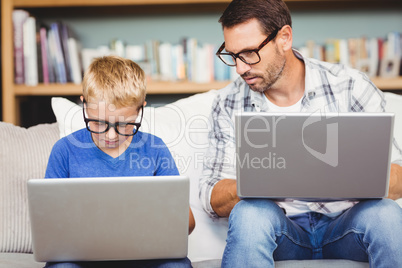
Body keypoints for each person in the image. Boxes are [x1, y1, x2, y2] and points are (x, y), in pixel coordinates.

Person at [199, 0, 402, 267]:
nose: (240, 68)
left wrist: (337, 178)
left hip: (347, 225)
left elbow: (398, 177)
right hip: (280, 232)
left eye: (249, 53)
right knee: (250, 213)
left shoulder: (350, 86)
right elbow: (211, 196)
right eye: (233, 55)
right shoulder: (228, 103)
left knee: (385, 213)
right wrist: (260, 182)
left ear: (284, 38)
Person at [45, 55, 195, 268]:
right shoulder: (64, 150)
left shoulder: (155, 149)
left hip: (146, 257)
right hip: (82, 259)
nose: (112, 136)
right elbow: (49, 223)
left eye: (125, 125)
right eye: (98, 123)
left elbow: (188, 224)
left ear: (140, 109)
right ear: (84, 105)